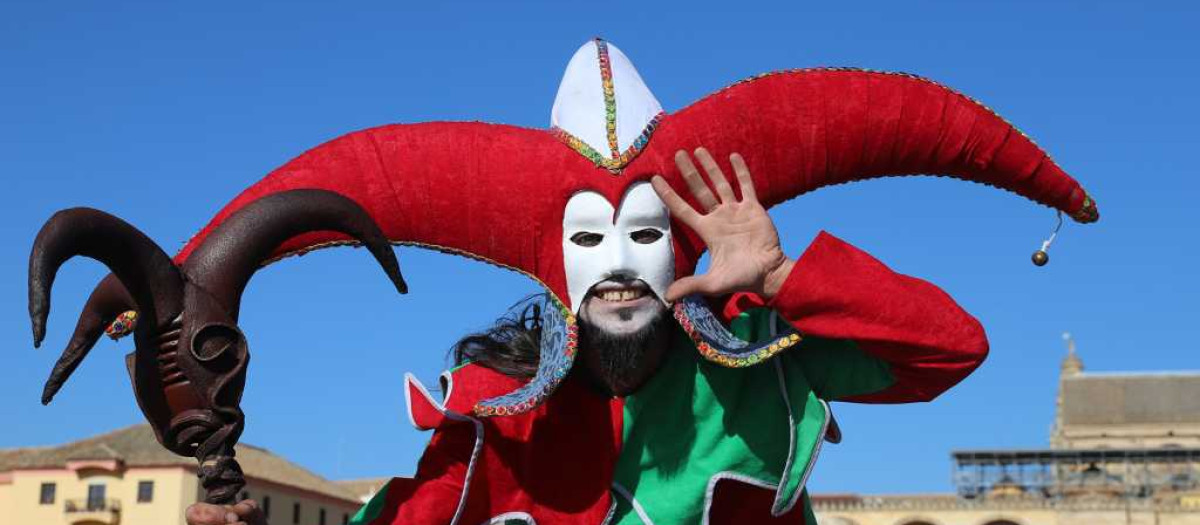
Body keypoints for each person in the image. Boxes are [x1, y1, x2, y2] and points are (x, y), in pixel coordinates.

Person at [166, 39, 1095, 524]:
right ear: (551, 259)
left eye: (645, 231)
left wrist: (782, 275)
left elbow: (951, 349)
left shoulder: (765, 360)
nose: (617, 262)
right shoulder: (497, 418)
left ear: (681, 246)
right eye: (589, 236)